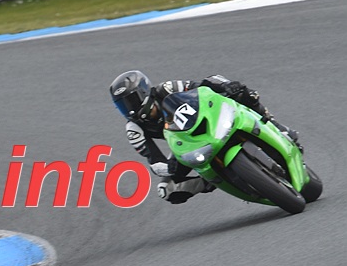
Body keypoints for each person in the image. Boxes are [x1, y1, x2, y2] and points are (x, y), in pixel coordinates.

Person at [109, 70, 299, 204]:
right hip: (185, 145)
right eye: (122, 105)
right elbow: (154, 161)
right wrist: (170, 167)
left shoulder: (166, 88)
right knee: (166, 190)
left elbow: (201, 87)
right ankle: (211, 180)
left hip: (206, 119)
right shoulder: (134, 129)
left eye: (131, 101)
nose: (129, 109)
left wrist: (226, 86)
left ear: (144, 91)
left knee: (243, 93)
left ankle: (278, 127)